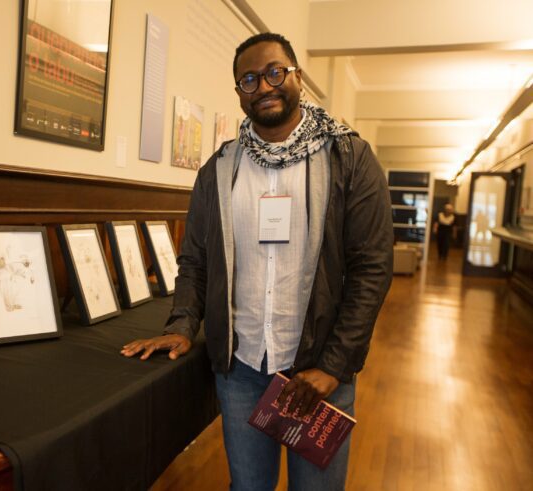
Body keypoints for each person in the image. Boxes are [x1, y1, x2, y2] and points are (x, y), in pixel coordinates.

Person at [121, 32, 393, 491]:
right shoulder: (219, 170)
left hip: (317, 370)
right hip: (242, 368)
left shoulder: (349, 157)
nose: (264, 86)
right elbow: (196, 259)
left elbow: (372, 268)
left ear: (296, 77)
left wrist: (333, 365)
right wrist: (182, 322)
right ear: (238, 93)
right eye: (249, 79)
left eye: (274, 73)